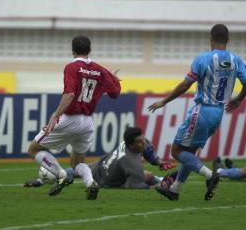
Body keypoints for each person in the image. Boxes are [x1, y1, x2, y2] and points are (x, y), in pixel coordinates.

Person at [148, 24, 246, 201]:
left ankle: (210, 176)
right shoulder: (237, 60)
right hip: (219, 113)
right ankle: (175, 190)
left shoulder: (203, 59)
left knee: (177, 151)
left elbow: (185, 85)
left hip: (202, 110)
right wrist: (238, 99)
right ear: (227, 40)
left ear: (210, 38)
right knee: (189, 153)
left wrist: (164, 101)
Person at [27, 35, 121, 200]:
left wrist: (55, 117)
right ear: (90, 50)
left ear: (72, 50)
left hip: (69, 119)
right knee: (77, 162)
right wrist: (110, 78)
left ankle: (60, 174)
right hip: (87, 123)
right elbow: (115, 92)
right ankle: (90, 182)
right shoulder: (100, 70)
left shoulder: (72, 67)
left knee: (33, 149)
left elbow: (70, 94)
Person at [24, 127, 176, 189]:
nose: (143, 142)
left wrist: (159, 162)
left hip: (99, 165)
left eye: (143, 139)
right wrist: (158, 187)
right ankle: (162, 181)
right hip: (106, 180)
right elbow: (138, 186)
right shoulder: (130, 162)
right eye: (140, 142)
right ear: (131, 145)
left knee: (74, 170)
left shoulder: (129, 143)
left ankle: (40, 180)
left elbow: (147, 149)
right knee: (146, 176)